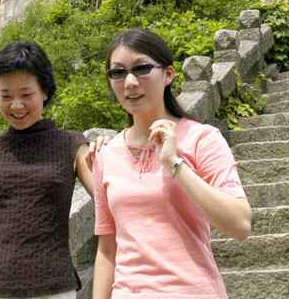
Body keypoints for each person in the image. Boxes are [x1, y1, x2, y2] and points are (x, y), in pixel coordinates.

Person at [90, 28, 251, 299]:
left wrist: (175, 163)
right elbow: (107, 250)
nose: (129, 82)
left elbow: (240, 225)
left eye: (141, 68)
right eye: (118, 72)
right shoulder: (107, 155)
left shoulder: (202, 139)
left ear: (168, 74)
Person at [0, 41, 94, 299]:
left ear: (44, 92)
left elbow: (105, 195)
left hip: (52, 288)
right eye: (6, 96)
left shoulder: (72, 145)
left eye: (26, 94)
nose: (16, 105)